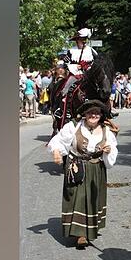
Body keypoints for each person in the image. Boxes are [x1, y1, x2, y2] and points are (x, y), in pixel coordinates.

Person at [47, 100, 118, 249]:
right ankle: (80, 233)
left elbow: (112, 152)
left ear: (101, 115)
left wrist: (108, 151)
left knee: (92, 199)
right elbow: (58, 141)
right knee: (77, 198)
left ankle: (88, 230)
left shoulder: (107, 131)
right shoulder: (74, 126)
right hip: (76, 167)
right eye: (90, 112)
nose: (93, 115)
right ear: (85, 113)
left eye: (97, 113)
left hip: (96, 169)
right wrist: (56, 152)